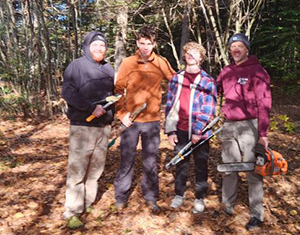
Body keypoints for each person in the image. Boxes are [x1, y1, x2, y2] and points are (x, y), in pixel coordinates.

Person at [114, 25, 175, 214]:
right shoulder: (128, 63)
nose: (146, 47)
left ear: (154, 44)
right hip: (131, 121)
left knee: (150, 160)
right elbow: (117, 90)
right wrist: (122, 114)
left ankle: (150, 196)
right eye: (142, 43)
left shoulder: (161, 62)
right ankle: (121, 197)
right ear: (137, 43)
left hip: (152, 121)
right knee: (127, 158)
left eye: (149, 43)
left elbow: (175, 80)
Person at [216, 33, 272, 230]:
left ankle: (257, 214)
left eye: (240, 45)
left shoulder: (258, 72)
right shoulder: (226, 71)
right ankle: (227, 204)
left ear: (247, 49)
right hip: (229, 124)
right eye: (233, 46)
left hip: (251, 125)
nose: (236, 49)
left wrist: (263, 134)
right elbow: (214, 90)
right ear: (230, 50)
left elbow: (264, 103)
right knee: (229, 166)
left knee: (253, 170)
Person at [61, 31, 115, 225]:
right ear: (87, 47)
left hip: (103, 127)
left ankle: (87, 202)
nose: (100, 49)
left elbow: (112, 95)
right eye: (95, 45)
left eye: (103, 46)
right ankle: (72, 212)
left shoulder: (109, 69)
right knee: (77, 169)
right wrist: (91, 107)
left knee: (96, 169)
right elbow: (68, 92)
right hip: (82, 126)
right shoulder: (76, 66)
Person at [165, 42, 217, 214]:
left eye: (195, 53)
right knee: (181, 163)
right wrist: (170, 131)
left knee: (201, 165)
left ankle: (200, 197)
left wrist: (198, 131)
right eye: (188, 52)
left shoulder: (207, 80)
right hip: (180, 129)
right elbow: (170, 106)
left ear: (201, 58)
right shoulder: (176, 78)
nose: (191, 55)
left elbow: (209, 108)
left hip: (200, 133)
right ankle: (179, 194)